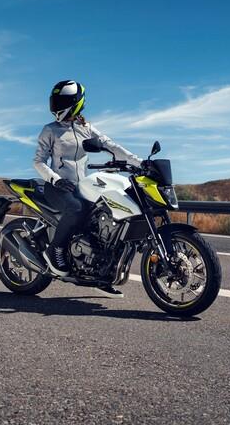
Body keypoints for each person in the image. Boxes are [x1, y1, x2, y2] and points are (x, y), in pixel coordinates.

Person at [33, 80, 144, 298]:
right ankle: (55, 250)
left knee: (104, 220)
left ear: (75, 103)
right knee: (76, 209)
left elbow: (111, 145)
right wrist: (55, 179)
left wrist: (140, 162)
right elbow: (38, 161)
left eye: (62, 101)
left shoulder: (87, 128)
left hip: (81, 186)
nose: (57, 106)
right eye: (56, 101)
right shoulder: (50, 130)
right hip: (57, 186)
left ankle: (100, 272)